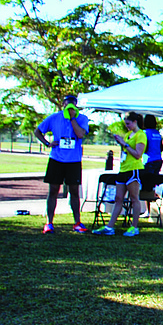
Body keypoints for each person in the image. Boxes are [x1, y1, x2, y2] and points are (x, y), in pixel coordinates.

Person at [34, 93, 90, 234]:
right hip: (56, 159)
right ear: (63, 104)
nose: (69, 105)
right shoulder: (54, 117)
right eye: (67, 102)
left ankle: (77, 222)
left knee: (74, 192)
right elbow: (38, 131)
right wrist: (47, 143)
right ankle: (49, 222)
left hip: (74, 161)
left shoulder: (81, 118)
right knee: (53, 190)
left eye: (72, 103)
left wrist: (72, 118)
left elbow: (80, 134)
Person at [93, 111, 147, 237]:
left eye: (128, 123)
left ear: (135, 122)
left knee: (134, 198)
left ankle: (134, 226)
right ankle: (109, 226)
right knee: (118, 198)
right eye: (125, 124)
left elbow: (138, 154)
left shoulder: (140, 135)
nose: (127, 126)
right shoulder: (129, 134)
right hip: (123, 169)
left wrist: (125, 144)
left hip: (133, 169)